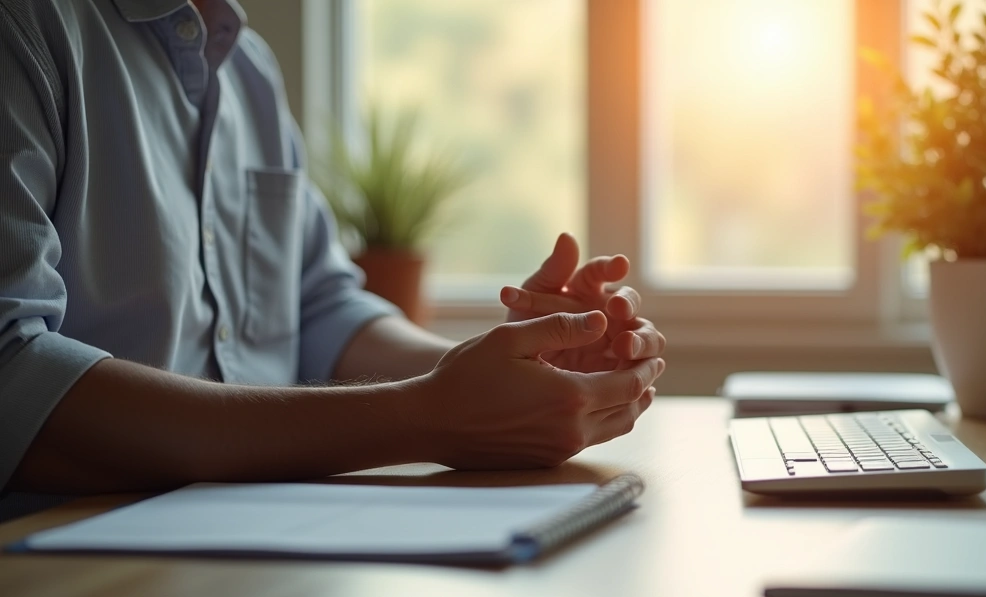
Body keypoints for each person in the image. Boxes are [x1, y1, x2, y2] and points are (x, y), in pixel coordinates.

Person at [0, 0, 666, 517]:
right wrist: (428, 417)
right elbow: (13, 376)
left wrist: (512, 372)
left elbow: (319, 307)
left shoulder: (247, 68)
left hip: (263, 535)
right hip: (71, 566)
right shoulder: (25, 28)